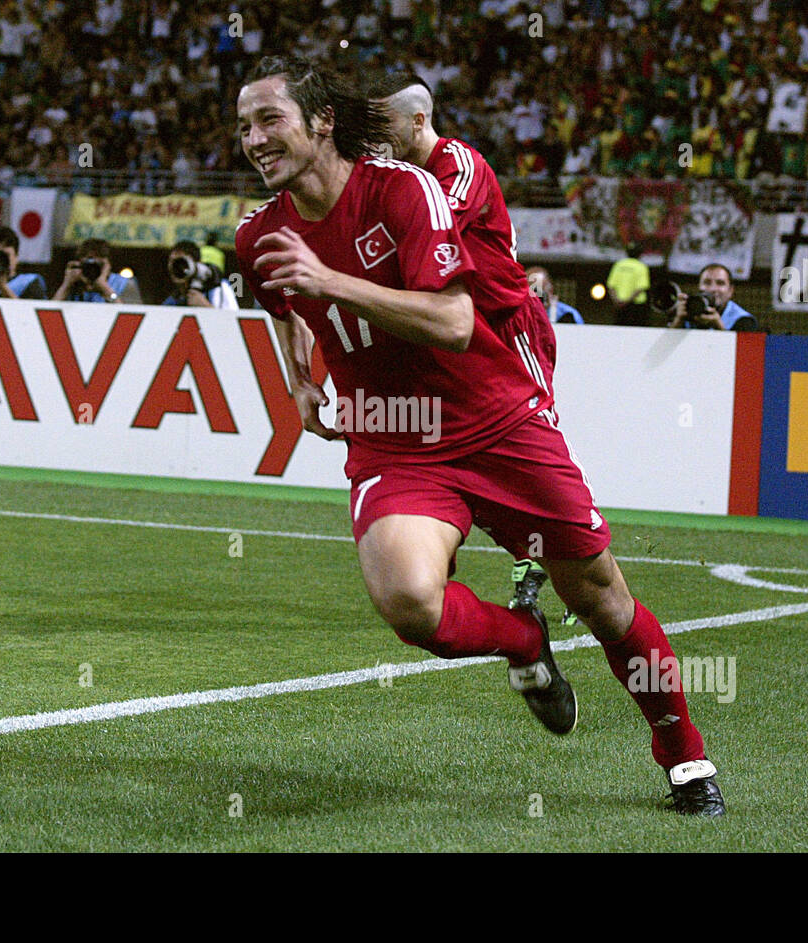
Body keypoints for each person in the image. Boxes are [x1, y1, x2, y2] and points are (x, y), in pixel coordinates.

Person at [234, 55, 724, 815]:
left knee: (601, 598)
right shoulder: (260, 233)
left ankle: (685, 757)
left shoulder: (404, 189)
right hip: (392, 441)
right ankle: (522, 642)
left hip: (494, 419)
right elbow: (274, 304)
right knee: (407, 601)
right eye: (244, 127)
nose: (255, 139)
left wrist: (329, 283)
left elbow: (455, 321)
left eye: (270, 120)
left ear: (321, 121)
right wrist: (297, 378)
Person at [369, 72, 567, 619]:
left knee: (538, 434)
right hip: (463, 333)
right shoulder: (402, 179)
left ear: (417, 121)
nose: (376, 137)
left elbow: (430, 230)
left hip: (509, 328)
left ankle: (559, 556)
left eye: (383, 124)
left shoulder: (459, 163)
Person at [668, 263, 757, 331]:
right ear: (699, 287)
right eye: (707, 282)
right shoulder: (687, 308)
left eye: (720, 283)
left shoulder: (744, 320)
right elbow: (664, 349)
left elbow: (742, 354)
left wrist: (718, 326)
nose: (712, 289)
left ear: (730, 291)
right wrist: (678, 320)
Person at [54, 237, 141, 303]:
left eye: (97, 264)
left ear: (108, 265)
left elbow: (133, 317)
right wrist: (66, 285)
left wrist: (104, 288)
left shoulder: (125, 283)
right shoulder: (74, 284)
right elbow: (48, 313)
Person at [160, 240, 239, 308]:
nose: (176, 267)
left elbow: (234, 322)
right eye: (172, 261)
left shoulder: (220, 288)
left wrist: (206, 306)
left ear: (196, 264)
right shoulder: (171, 301)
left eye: (181, 262)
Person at [0, 225, 46, 299]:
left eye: (5, 255)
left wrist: (3, 287)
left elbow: (32, 309)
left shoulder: (29, 282)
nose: (0, 260)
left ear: (16, 257)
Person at [606, 246, 650, 326]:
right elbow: (641, 288)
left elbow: (611, 285)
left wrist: (615, 300)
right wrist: (627, 301)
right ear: (640, 254)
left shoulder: (619, 264)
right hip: (636, 306)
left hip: (619, 304)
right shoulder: (641, 266)